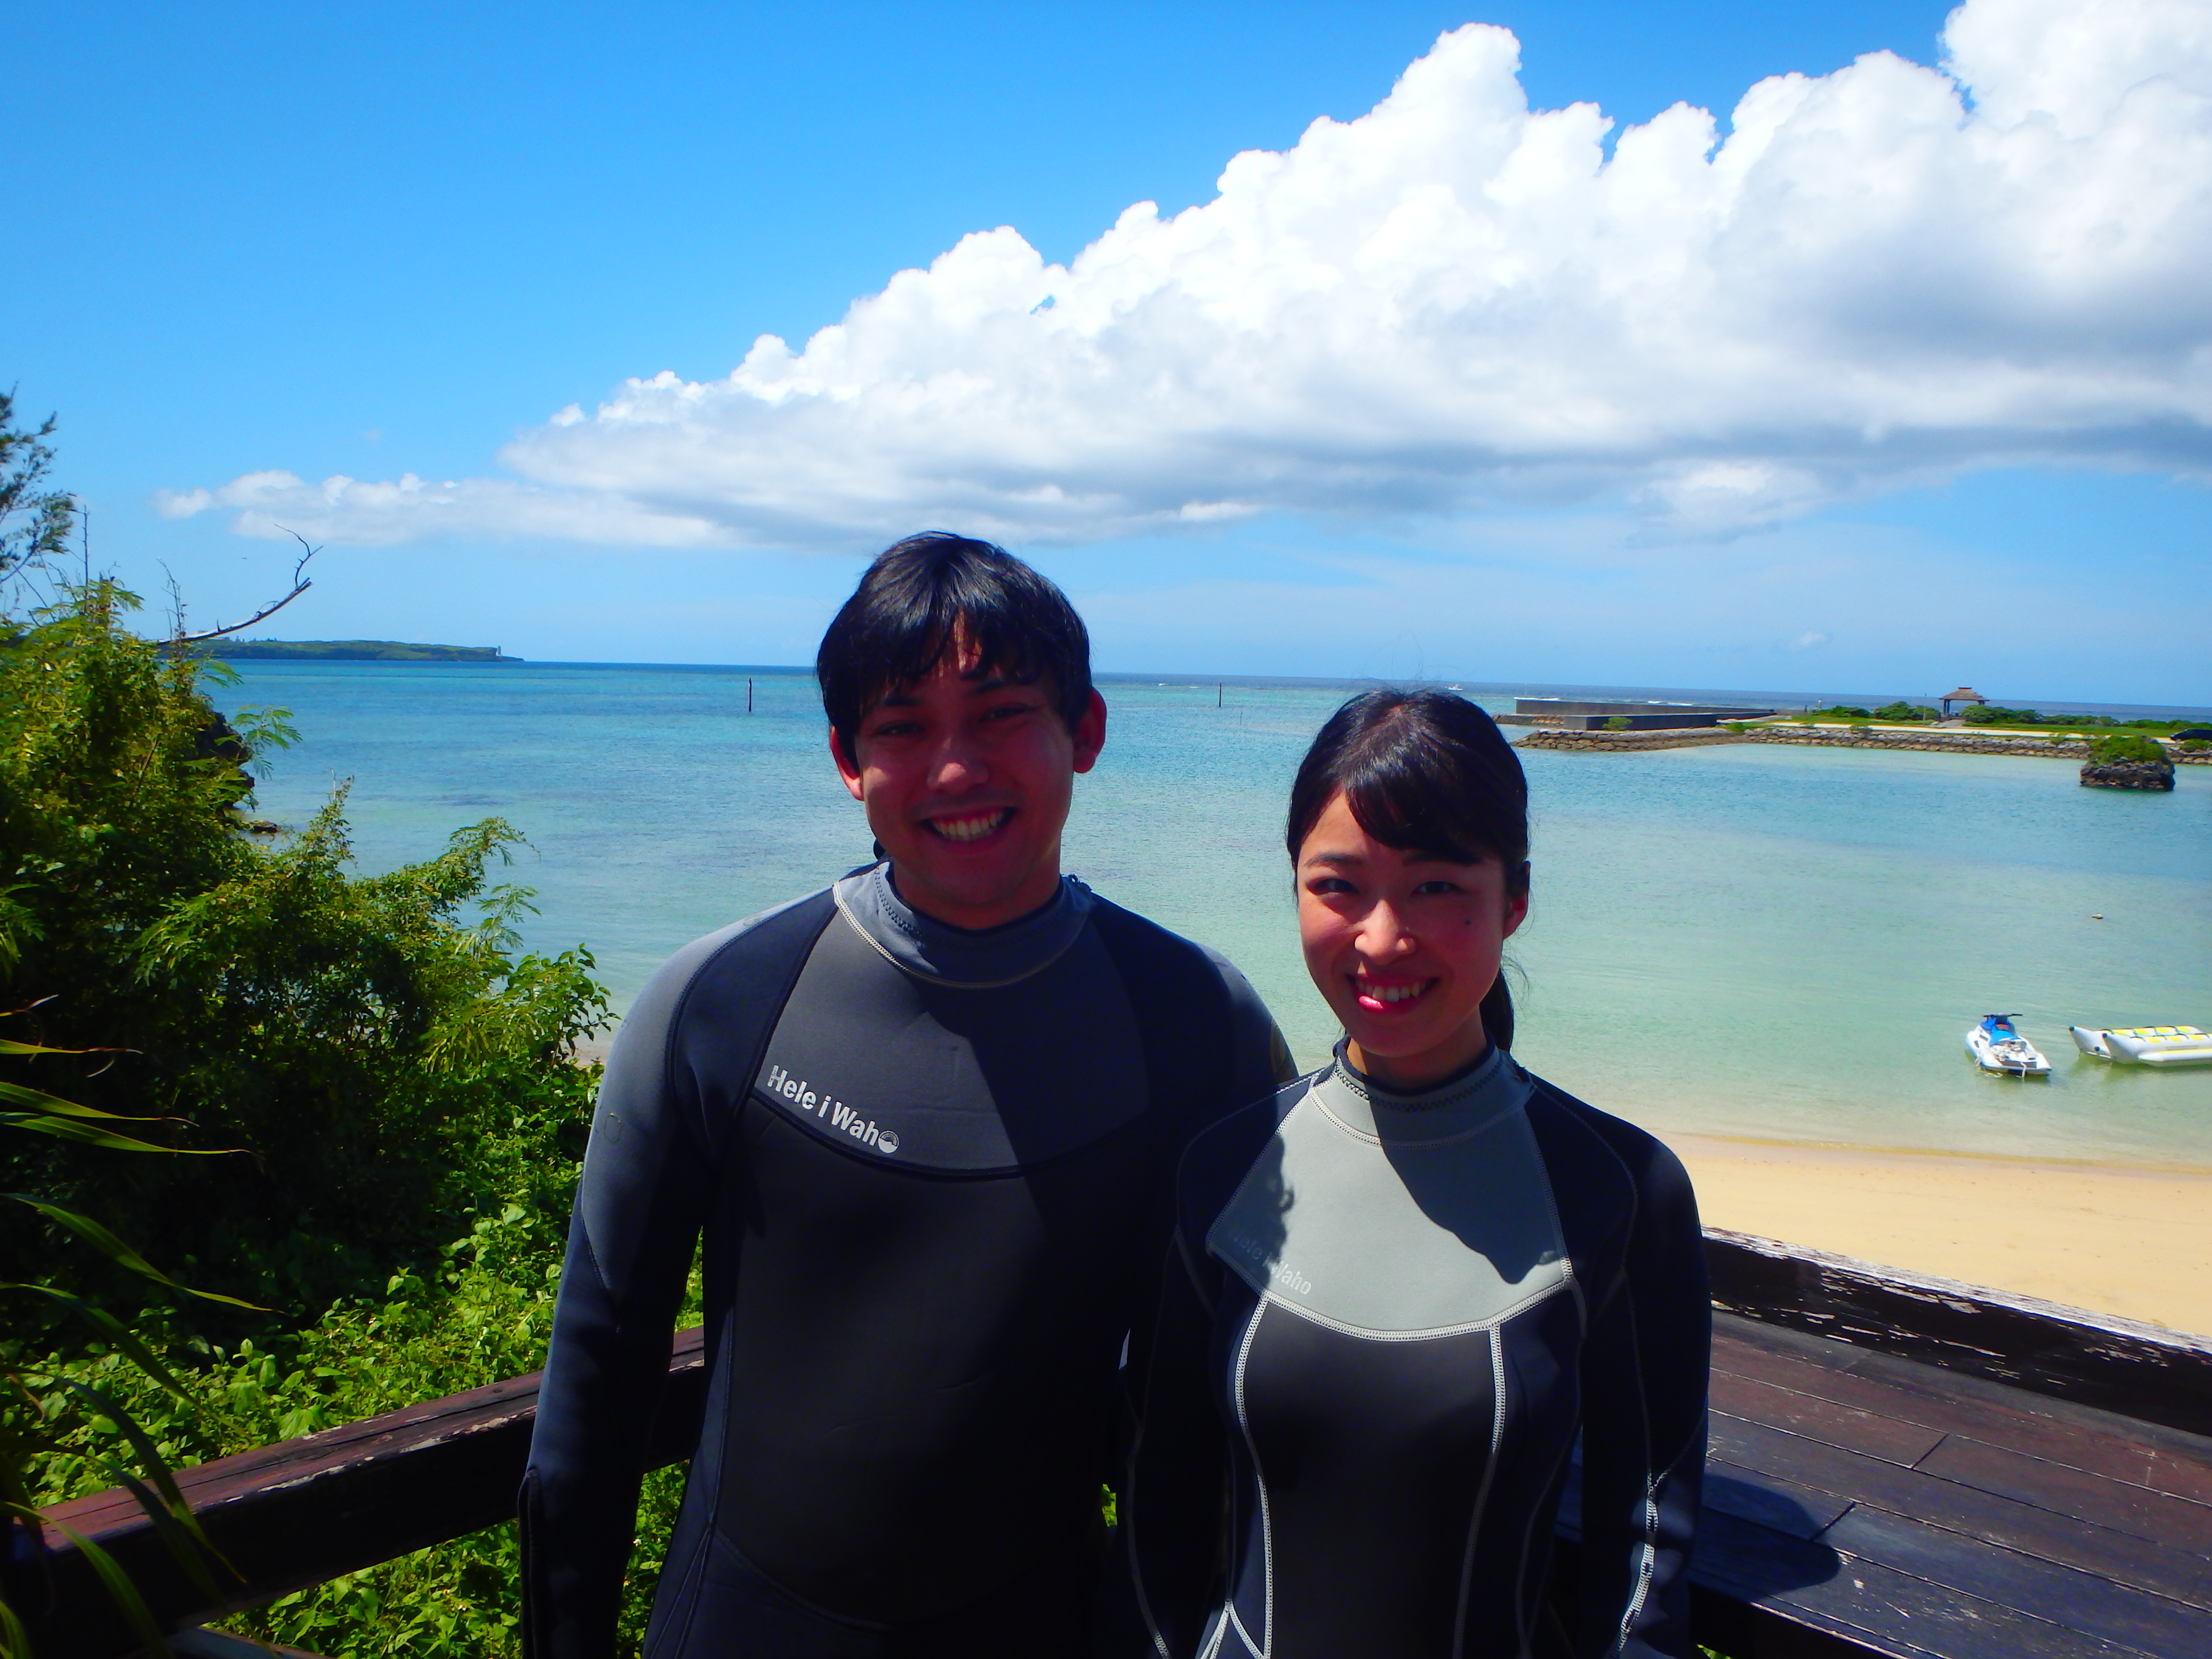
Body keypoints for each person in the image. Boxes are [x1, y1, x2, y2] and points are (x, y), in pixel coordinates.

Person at [520, 534, 1293, 1659]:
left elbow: (1231, 1417)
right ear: (848, 758)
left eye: (1001, 715)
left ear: (1085, 731)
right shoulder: (721, 1005)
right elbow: (592, 1396)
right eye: (903, 728)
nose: (955, 769)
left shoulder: (1198, 1024)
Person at [1116, 689, 1707, 1659]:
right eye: (1338, 886)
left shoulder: (1618, 1189)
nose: (1383, 939)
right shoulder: (1226, 1170)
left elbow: (1646, 1553)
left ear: (1514, 900)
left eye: (1435, 886)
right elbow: (1160, 1508)